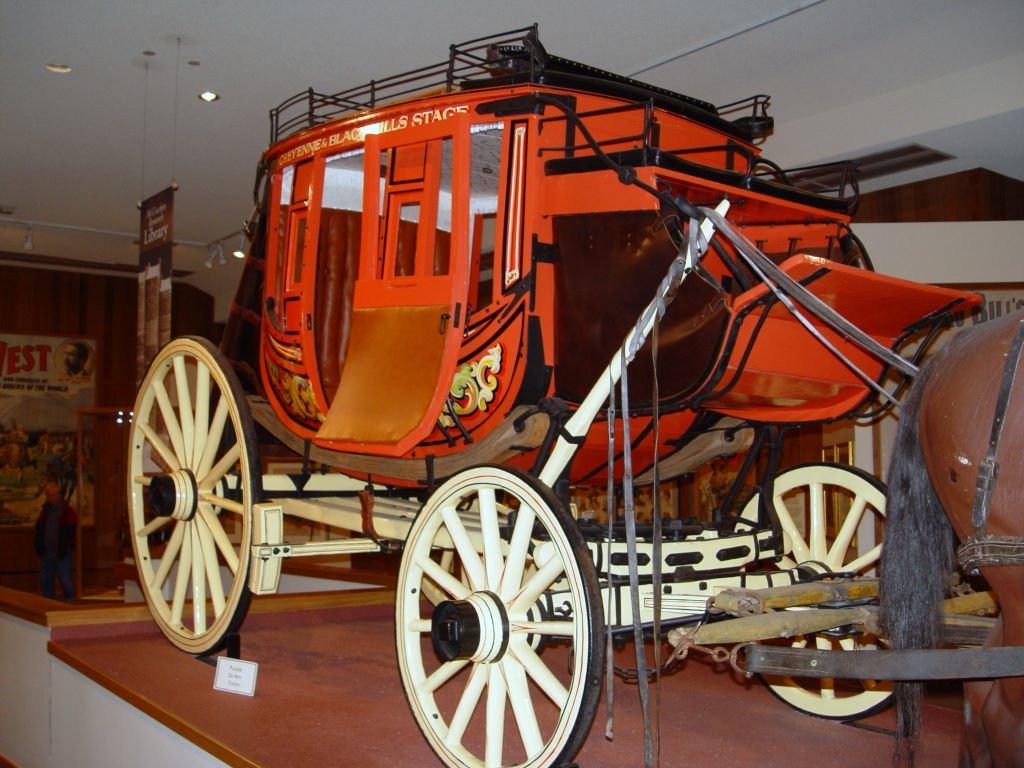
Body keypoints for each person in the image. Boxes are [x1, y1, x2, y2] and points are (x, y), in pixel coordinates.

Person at [33, 482, 77, 600]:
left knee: (66, 581)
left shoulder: (68, 511)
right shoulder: (45, 511)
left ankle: (73, 607)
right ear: (47, 496)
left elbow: (71, 533)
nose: (52, 497)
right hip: (47, 553)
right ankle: (47, 607)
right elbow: (39, 529)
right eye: (49, 495)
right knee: (46, 582)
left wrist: (66, 548)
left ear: (59, 495)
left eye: (54, 495)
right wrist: (39, 547)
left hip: (62, 553)